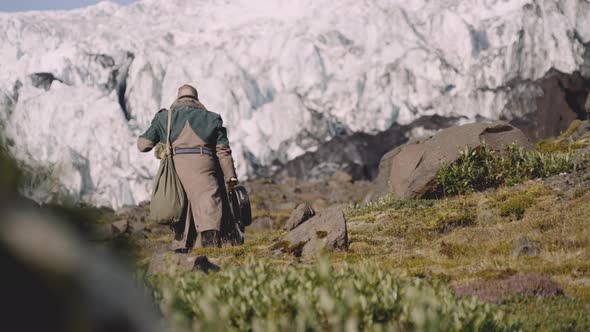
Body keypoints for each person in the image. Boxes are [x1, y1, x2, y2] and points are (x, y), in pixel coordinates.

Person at [137, 84, 238, 251]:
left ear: (178, 99)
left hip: (176, 168)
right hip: (205, 166)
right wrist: (230, 177)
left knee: (181, 209)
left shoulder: (164, 117)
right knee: (208, 204)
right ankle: (211, 248)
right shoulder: (212, 118)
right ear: (196, 100)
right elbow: (223, 151)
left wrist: (162, 141)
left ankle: (181, 250)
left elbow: (143, 145)